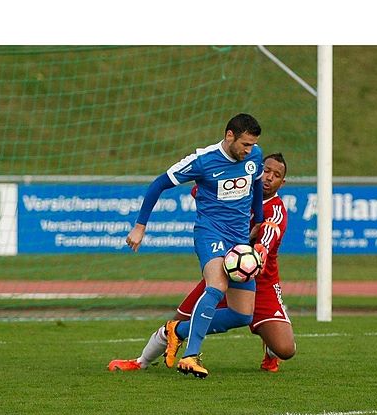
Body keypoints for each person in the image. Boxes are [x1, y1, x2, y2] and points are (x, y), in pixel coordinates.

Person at [109, 153, 296, 373]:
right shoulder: (237, 191)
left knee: (285, 349)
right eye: (266, 170)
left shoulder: (274, 209)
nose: (268, 177)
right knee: (181, 319)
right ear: (255, 169)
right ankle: (141, 361)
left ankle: (270, 352)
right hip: (224, 270)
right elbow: (202, 191)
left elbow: (270, 231)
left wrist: (260, 250)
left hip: (261, 283)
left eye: (276, 175)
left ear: (282, 183)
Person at [122, 113, 265, 378]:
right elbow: (159, 184)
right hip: (210, 233)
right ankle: (190, 356)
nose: (249, 150)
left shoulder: (255, 156)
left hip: (239, 240)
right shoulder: (203, 160)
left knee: (242, 315)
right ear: (229, 135)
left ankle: (176, 331)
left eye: (252, 144)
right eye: (245, 144)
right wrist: (140, 226)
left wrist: (260, 220)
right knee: (217, 286)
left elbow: (256, 186)